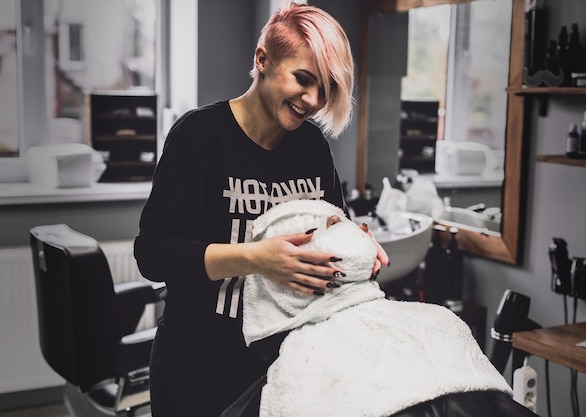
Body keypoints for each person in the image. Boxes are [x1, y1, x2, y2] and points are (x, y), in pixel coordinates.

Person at [134, 3, 388, 416]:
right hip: (198, 364)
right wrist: (258, 259)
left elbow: (330, 227)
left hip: (284, 365)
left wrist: (358, 246)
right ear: (262, 59)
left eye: (325, 88)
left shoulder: (311, 147)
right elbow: (153, 253)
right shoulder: (199, 137)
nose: (313, 100)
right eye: (303, 80)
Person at [221, 199, 537, 417]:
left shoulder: (439, 320)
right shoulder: (307, 362)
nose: (361, 228)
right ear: (291, 265)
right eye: (335, 224)